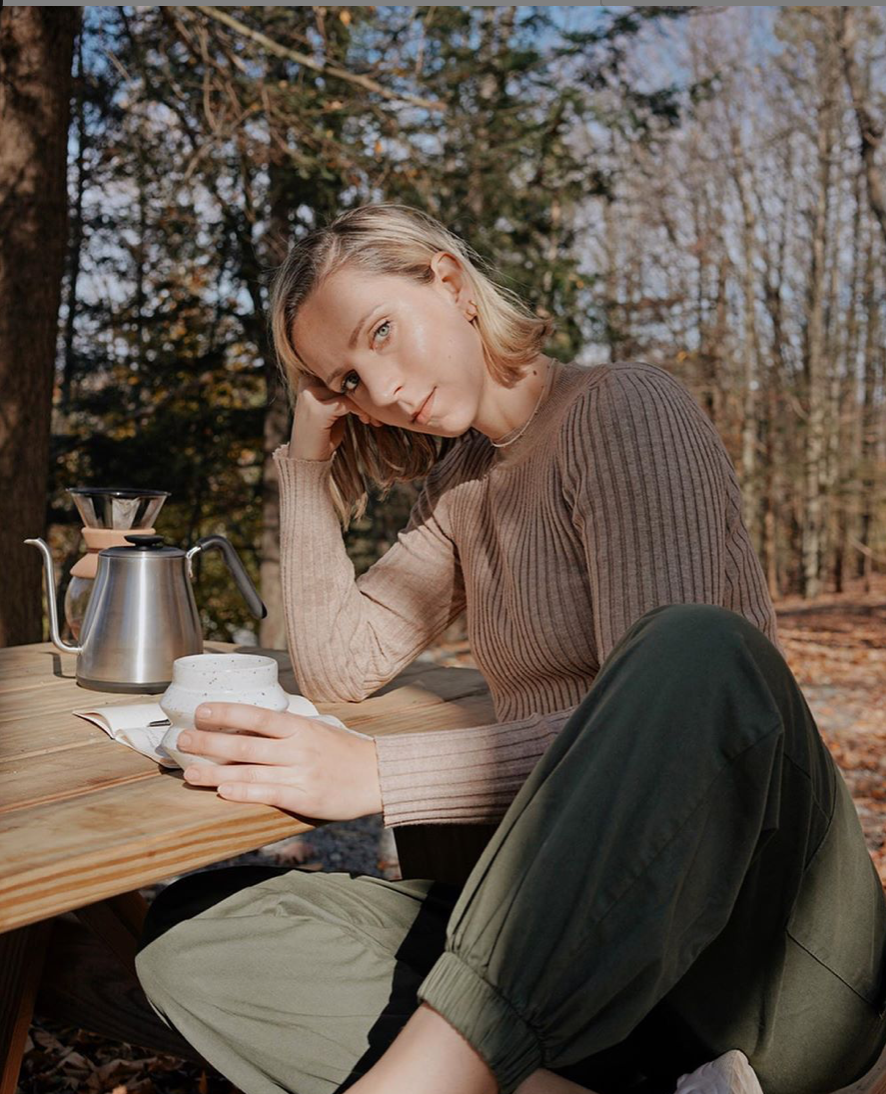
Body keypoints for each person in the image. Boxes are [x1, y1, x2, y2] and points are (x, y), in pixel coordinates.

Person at [135, 204, 886, 1094]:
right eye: (348, 379)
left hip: (757, 961)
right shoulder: (464, 487)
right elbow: (338, 666)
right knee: (197, 931)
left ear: (448, 283)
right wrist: (304, 458)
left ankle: (432, 1077)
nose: (383, 390)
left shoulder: (625, 410)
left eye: (383, 332)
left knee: (691, 647)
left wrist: (377, 775)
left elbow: (676, 734)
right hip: (577, 970)